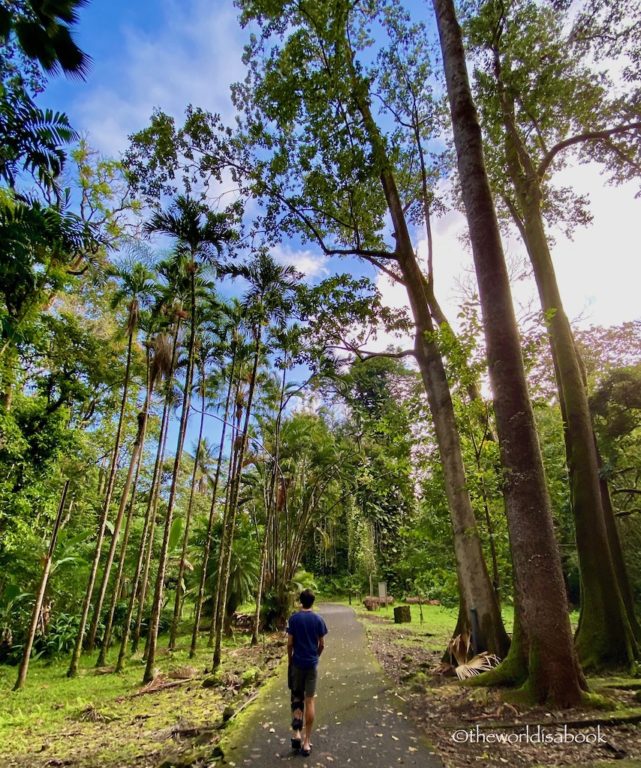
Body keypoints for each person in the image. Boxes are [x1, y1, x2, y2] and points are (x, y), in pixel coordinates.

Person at [286, 589, 328, 757]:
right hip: (311, 665)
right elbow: (322, 644)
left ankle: (296, 733)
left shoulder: (294, 619)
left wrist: (290, 660)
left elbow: (289, 644)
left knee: (296, 697)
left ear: (300, 601)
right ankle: (306, 742)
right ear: (313, 601)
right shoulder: (318, 620)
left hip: (297, 663)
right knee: (309, 701)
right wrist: (315, 657)